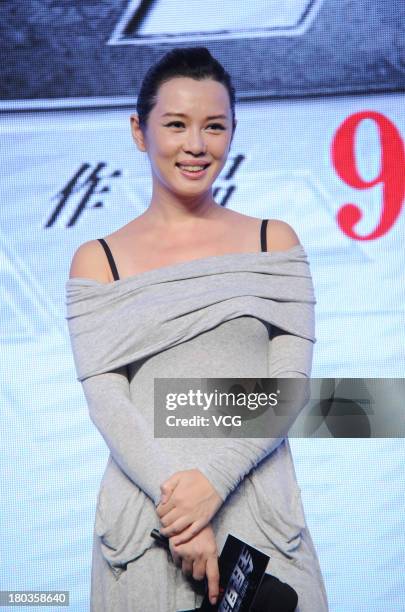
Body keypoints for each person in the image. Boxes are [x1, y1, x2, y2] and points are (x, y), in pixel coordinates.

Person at [66, 47, 329, 611]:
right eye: (176, 124)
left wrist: (211, 483)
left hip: (259, 519)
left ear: (232, 132)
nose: (196, 144)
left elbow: (291, 390)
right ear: (140, 131)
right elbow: (108, 403)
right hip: (147, 525)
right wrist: (183, 513)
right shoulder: (97, 260)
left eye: (214, 126)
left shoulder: (272, 243)